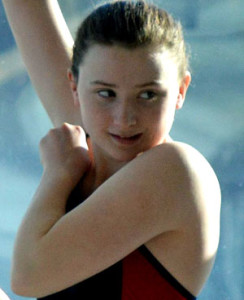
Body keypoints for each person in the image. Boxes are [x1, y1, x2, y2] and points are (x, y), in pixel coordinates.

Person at [3, 1, 221, 299]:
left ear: (181, 90)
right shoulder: (89, 140)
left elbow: (27, 277)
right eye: (106, 93)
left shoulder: (177, 172)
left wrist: (58, 174)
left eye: (148, 95)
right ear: (74, 86)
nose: (124, 119)